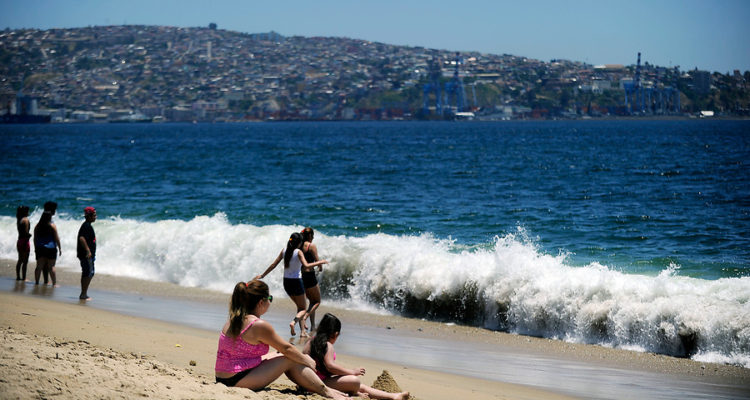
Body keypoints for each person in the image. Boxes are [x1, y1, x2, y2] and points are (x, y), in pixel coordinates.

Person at [214, 280, 349, 400]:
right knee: (290, 357)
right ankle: (326, 391)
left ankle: (318, 386)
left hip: (223, 376)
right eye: (270, 298)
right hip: (235, 380)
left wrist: (293, 355)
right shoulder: (258, 325)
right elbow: (287, 349)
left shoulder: (233, 320)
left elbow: (281, 349)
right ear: (261, 302)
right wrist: (306, 359)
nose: (270, 301)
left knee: (282, 354)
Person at [304, 313, 410, 400]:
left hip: (306, 382)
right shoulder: (328, 345)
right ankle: (357, 393)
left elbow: (304, 359)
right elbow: (330, 366)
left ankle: (394, 396)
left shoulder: (310, 341)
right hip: (319, 384)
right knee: (355, 381)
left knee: (360, 386)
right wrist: (352, 371)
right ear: (336, 334)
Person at [255, 232, 328, 337]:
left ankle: (303, 332)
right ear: (299, 243)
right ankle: (293, 322)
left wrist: (262, 275)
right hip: (296, 282)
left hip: (286, 282)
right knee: (303, 308)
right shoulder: (298, 252)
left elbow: (273, 265)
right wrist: (320, 262)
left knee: (300, 307)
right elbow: (306, 265)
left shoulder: (284, 250)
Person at [301, 227, 324, 332]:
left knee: (311, 301)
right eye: (313, 236)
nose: (313, 238)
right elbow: (317, 260)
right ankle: (305, 317)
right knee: (317, 301)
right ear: (310, 236)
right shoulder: (311, 246)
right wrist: (320, 267)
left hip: (301, 276)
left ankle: (313, 326)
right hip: (310, 275)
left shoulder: (299, 245)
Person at [33, 201, 61, 286]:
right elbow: (57, 238)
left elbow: (35, 238)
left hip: (40, 247)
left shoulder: (37, 225)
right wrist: (60, 248)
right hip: (51, 248)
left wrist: (35, 247)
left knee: (39, 266)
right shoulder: (52, 225)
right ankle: (54, 283)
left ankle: (37, 282)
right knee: (51, 267)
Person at [77, 206, 97, 300]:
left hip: (87, 254)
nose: (95, 217)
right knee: (88, 273)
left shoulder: (87, 225)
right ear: (89, 216)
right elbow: (81, 238)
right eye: (94, 215)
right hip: (86, 255)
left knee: (89, 272)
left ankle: (84, 293)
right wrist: (88, 250)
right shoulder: (86, 226)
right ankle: (83, 294)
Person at [15, 205, 31, 281]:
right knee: (25, 261)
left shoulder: (19, 220)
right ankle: (24, 278)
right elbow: (26, 232)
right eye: (27, 211)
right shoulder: (26, 220)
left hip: (19, 241)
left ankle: (18, 277)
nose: (29, 212)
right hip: (25, 241)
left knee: (20, 260)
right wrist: (29, 235)